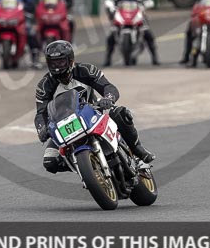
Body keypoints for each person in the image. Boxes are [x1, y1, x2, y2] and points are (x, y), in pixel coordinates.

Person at [34, 40, 155, 174]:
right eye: (53, 63)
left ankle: (137, 149)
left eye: (60, 62)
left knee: (121, 113)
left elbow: (108, 87)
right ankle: (87, 168)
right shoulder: (44, 86)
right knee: (49, 162)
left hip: (93, 112)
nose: (57, 67)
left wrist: (108, 98)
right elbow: (41, 113)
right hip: (66, 125)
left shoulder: (86, 70)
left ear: (70, 60)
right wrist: (41, 128)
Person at [104, 0, 159, 66]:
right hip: (123, 16)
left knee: (148, 34)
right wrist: (111, 6)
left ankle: (155, 57)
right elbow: (112, 1)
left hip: (136, 16)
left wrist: (146, 4)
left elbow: (147, 0)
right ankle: (107, 59)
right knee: (111, 36)